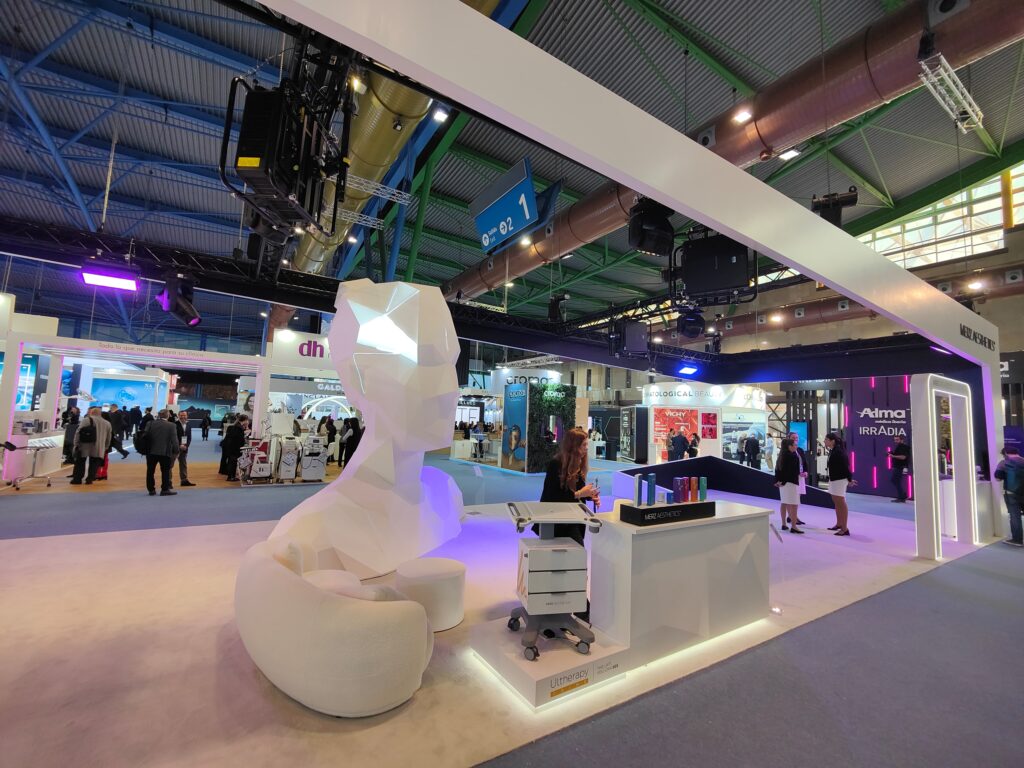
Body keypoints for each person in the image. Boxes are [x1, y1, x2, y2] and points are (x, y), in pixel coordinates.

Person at [538, 427, 600, 544]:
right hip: (557, 520)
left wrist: (589, 495)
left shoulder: (578, 464)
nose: (587, 448)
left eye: (587, 444)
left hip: (573, 518)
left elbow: (576, 492)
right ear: (573, 446)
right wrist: (580, 494)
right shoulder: (555, 465)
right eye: (583, 445)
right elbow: (553, 496)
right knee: (577, 550)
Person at [71, 406, 111, 485]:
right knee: (94, 463)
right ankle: (90, 479)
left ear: (91, 413)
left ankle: (77, 479)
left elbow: (78, 432)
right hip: (99, 447)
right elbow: (108, 437)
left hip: (84, 445)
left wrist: (76, 443)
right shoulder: (107, 423)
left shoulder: (87, 420)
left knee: (80, 462)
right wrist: (106, 447)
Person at [824, 433, 855, 536]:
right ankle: (839, 523)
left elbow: (845, 466)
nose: (824, 441)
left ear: (832, 441)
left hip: (839, 480)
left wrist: (849, 479)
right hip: (834, 479)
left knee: (840, 501)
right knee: (836, 501)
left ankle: (845, 528)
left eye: (826, 439)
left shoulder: (839, 451)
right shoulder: (833, 450)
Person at [144, 409, 180, 496]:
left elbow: (145, 436)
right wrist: (177, 451)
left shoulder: (150, 423)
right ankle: (164, 489)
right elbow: (174, 440)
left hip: (151, 452)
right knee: (165, 471)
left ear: (159, 415)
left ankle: (151, 490)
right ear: (168, 415)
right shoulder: (171, 425)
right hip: (165, 452)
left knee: (150, 471)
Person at [993, 446, 1024, 547]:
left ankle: (1017, 540)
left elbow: (997, 478)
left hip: (1011, 493)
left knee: (1015, 516)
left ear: (1005, 454)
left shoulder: (1004, 463)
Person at [774, 438, 804, 534]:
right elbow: (792, 472)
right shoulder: (793, 456)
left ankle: (784, 524)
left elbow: (777, 470)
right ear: (789, 446)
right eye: (795, 445)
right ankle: (794, 526)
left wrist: (778, 481)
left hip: (782, 485)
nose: (796, 447)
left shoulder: (781, 456)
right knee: (794, 504)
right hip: (791, 483)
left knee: (784, 503)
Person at [787, 432, 809, 526]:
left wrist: (806, 472)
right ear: (788, 438)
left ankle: (793, 516)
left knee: (797, 497)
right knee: (791, 497)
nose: (795, 439)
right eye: (793, 437)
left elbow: (804, 463)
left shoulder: (800, 450)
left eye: (797, 437)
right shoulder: (786, 450)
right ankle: (792, 516)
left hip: (800, 477)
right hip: (790, 477)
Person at [220, 414, 248, 481]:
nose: (247, 422)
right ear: (244, 420)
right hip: (234, 448)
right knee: (233, 462)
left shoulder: (235, 426)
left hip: (229, 447)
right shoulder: (239, 428)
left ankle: (230, 476)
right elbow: (240, 440)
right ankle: (231, 477)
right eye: (247, 420)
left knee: (231, 461)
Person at [175, 410, 196, 488]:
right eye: (181, 415)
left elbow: (189, 437)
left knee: (183, 464)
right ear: (178, 416)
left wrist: (186, 446)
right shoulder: (174, 425)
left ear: (187, 416)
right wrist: (179, 445)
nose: (183, 417)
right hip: (175, 448)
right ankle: (168, 482)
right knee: (170, 465)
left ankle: (184, 480)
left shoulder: (188, 425)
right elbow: (172, 437)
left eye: (184, 415)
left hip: (184, 448)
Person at [890, 435, 911, 503]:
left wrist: (893, 456)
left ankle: (902, 496)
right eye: (895, 440)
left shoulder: (904, 447)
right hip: (898, 466)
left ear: (901, 440)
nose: (895, 441)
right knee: (895, 481)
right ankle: (902, 496)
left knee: (895, 480)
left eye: (897, 440)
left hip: (901, 467)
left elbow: (903, 457)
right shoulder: (899, 447)